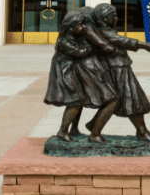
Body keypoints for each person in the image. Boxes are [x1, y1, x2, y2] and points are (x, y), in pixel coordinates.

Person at [84, 3, 150, 141]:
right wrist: (145, 45)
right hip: (117, 70)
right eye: (113, 16)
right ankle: (141, 132)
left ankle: (95, 125)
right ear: (104, 19)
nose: (116, 18)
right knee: (132, 99)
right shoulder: (104, 32)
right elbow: (123, 41)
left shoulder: (104, 31)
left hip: (120, 67)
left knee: (123, 100)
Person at [44, 10, 118, 142]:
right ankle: (63, 131)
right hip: (66, 74)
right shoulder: (64, 42)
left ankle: (73, 129)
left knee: (79, 100)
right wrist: (94, 46)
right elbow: (80, 52)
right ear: (70, 28)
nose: (84, 28)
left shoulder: (73, 37)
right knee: (75, 101)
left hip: (72, 71)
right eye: (81, 25)